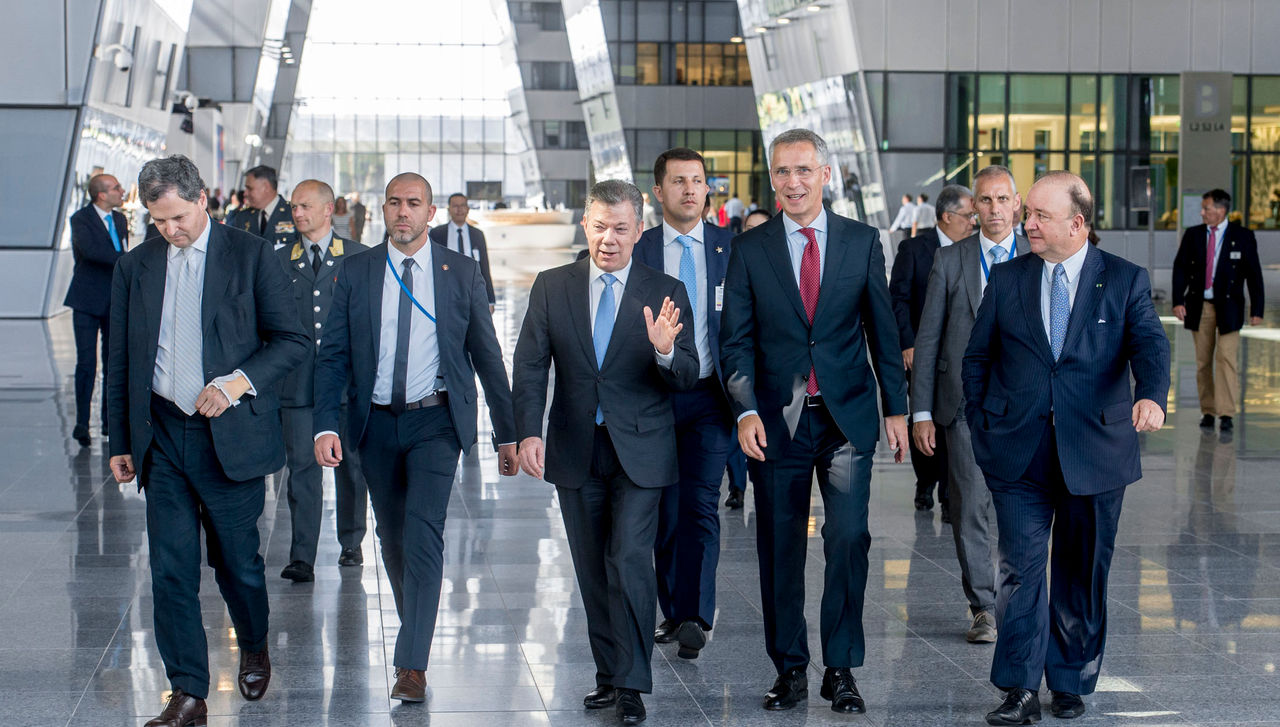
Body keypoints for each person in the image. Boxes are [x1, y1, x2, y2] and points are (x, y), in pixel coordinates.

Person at [106, 155, 309, 727]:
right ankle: (189, 692)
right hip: (164, 434)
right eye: (157, 221)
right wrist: (120, 438)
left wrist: (236, 382)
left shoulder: (250, 256)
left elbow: (291, 340)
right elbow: (121, 358)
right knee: (171, 569)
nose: (170, 230)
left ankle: (254, 640)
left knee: (237, 565)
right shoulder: (136, 266)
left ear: (202, 200)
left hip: (231, 435)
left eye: (176, 217)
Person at [962, 171, 1169, 725]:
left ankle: (1071, 679)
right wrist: (983, 424)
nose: (1025, 223)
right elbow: (977, 357)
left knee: (1081, 571)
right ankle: (1019, 688)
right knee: (1021, 572)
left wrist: (1151, 396)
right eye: (1027, 212)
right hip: (1017, 451)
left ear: (1077, 224)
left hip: (1096, 451)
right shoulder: (1007, 279)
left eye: (1039, 216)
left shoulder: (1124, 279)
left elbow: (1150, 343)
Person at [720, 129, 908, 714]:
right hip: (777, 423)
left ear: (826, 174)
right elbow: (736, 342)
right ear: (771, 179)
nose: (792, 182)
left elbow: (882, 328)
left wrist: (897, 408)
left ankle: (843, 668)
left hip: (846, 416)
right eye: (781, 172)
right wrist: (746, 409)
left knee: (849, 539)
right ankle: (791, 668)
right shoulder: (751, 249)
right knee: (779, 548)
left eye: (803, 170)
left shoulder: (860, 240)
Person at [313, 172, 518, 704]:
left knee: (425, 533)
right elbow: (332, 354)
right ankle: (417, 628)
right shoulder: (354, 271)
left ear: (431, 213)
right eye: (394, 203)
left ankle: (412, 665)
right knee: (393, 538)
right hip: (374, 423)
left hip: (436, 422)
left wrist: (509, 433)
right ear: (383, 210)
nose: (403, 212)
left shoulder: (460, 272)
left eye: (413, 204)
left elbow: (488, 357)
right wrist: (326, 423)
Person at [512, 179, 698, 725]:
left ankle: (633, 682)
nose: (609, 239)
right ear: (585, 225)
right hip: (575, 448)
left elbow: (686, 374)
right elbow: (528, 365)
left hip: (641, 451)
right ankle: (608, 675)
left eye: (621, 228)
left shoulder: (665, 290)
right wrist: (527, 432)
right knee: (593, 569)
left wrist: (665, 350)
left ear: (639, 230)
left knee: (629, 560)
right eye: (599, 226)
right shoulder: (553, 286)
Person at [910, 170, 1027, 645]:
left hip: (1025, 407)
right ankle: (983, 605)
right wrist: (921, 411)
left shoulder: (1037, 256)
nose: (995, 208)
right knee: (970, 507)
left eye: (1003, 199)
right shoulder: (950, 259)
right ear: (973, 208)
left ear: (1017, 204)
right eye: (986, 200)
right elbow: (929, 337)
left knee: (1022, 507)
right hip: (962, 406)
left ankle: (1019, 597)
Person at [636, 149, 734, 660]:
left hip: (711, 398)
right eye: (679, 181)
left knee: (700, 506)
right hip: (653, 400)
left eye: (697, 181)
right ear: (659, 192)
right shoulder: (641, 248)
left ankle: (696, 615)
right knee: (664, 512)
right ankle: (672, 611)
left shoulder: (729, 247)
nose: (691, 190)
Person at [274, 180, 370, 583]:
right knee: (302, 472)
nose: (297, 213)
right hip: (297, 386)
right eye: (294, 207)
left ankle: (350, 541)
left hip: (347, 385)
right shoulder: (279, 260)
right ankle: (302, 556)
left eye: (306, 206)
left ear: (329, 209)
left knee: (351, 467)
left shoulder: (357, 258)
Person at [890, 187, 972, 519]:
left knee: (955, 420)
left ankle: (951, 494)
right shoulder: (914, 249)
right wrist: (908, 344)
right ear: (947, 216)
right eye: (968, 216)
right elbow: (898, 299)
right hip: (922, 354)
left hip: (961, 356)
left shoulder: (972, 250)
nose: (972, 222)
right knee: (924, 418)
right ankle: (925, 483)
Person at [1171, 189, 1264, 433]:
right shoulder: (1193, 235)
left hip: (1230, 307)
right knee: (1203, 362)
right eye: (1203, 208)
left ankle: (1226, 413)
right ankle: (1208, 411)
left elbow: (1254, 274)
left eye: (1207, 208)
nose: (1202, 212)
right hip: (1199, 306)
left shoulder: (1242, 236)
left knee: (1225, 359)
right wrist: (1177, 301)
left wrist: (1258, 309)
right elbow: (1180, 268)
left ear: (1221, 210)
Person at [64, 173, 129, 446]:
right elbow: (92, 252)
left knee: (113, 364)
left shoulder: (120, 219)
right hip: (87, 300)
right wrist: (129, 261)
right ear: (101, 194)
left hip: (114, 301)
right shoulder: (80, 219)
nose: (121, 191)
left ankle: (108, 422)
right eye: (116, 188)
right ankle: (82, 423)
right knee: (87, 363)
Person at [723, 208, 773, 510]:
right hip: (739, 365)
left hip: (769, 372)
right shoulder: (734, 260)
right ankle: (737, 486)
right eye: (749, 227)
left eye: (760, 228)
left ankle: (758, 482)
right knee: (735, 431)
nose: (753, 233)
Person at [428, 193, 496, 311]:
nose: (459, 209)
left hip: (472, 291)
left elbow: (484, 267)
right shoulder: (437, 234)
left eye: (462, 205)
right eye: (455, 206)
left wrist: (490, 300)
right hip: (445, 292)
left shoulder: (477, 235)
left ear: (468, 209)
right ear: (449, 209)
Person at [227, 165, 296, 249]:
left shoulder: (294, 214)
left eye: (250, 188)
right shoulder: (242, 217)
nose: (245, 193)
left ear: (266, 187)